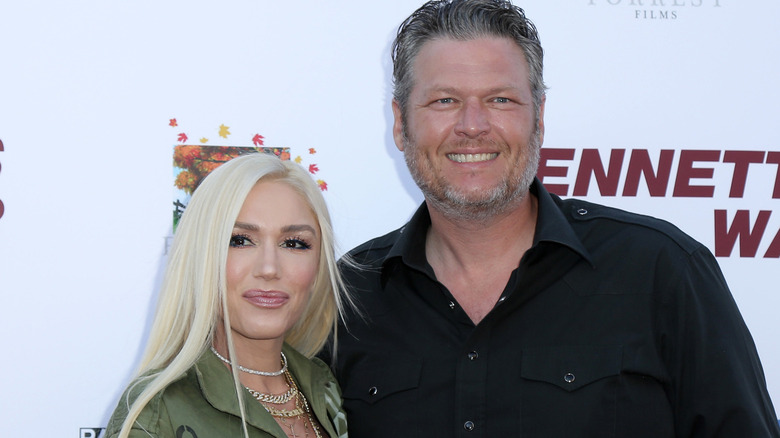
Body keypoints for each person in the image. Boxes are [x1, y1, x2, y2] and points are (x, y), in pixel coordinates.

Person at [325, 0, 780, 437]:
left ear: (538, 118)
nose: (473, 124)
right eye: (444, 101)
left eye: (500, 100)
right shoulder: (348, 297)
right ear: (401, 124)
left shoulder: (663, 271)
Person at [107, 153, 350, 438]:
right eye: (240, 240)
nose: (269, 268)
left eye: (294, 243)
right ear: (202, 257)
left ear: (319, 264)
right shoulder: (157, 414)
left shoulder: (326, 388)